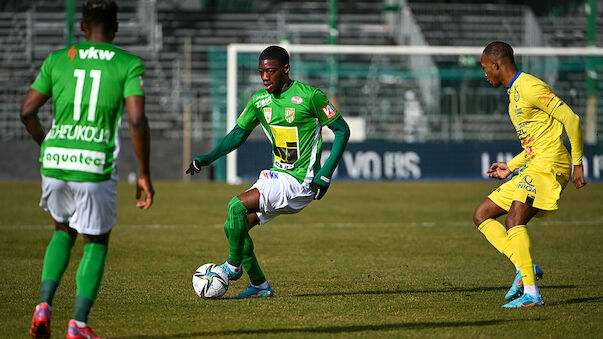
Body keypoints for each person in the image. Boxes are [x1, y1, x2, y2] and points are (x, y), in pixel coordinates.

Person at [21, 0, 154, 337]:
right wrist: (144, 172)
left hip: (55, 161)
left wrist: (48, 144)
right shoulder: (128, 63)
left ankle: (43, 306)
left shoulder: (57, 59)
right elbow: (137, 120)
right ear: (117, 27)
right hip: (94, 164)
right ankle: (78, 323)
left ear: (82, 26)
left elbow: (26, 111)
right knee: (95, 240)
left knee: (62, 231)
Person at [186, 45, 350, 298]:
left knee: (235, 207)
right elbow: (239, 133)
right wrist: (207, 158)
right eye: (261, 71)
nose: (265, 77)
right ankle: (260, 286)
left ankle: (232, 267)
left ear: (285, 70)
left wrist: (325, 174)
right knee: (234, 229)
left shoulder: (310, 96)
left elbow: (342, 130)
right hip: (276, 175)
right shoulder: (259, 101)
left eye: (270, 71)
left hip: (300, 181)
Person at [473, 41, 586, 308]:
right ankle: (525, 267)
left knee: (514, 220)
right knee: (482, 215)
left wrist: (578, 163)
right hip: (534, 164)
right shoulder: (513, 96)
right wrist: (510, 166)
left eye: (485, 68)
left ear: (497, 65)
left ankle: (532, 294)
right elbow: (535, 142)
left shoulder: (530, 87)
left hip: (549, 167)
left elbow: (572, 119)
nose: (485, 74)